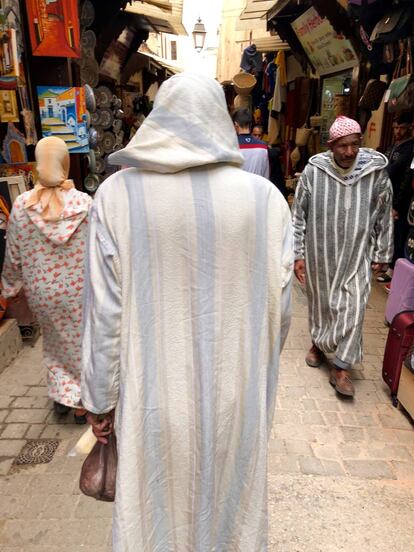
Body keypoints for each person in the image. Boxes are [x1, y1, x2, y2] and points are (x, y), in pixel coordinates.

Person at [81, 72, 293, 551]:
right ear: (219, 119)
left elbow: (105, 315)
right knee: (230, 513)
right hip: (234, 399)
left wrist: (99, 398)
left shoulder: (117, 196)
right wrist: (253, 378)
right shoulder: (266, 202)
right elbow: (279, 315)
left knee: (155, 519)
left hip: (151, 402)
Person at [292, 116, 393, 398]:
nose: (349, 152)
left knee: (354, 307)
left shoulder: (375, 172)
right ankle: (318, 344)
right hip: (320, 254)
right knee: (322, 304)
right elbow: (299, 214)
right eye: (343, 146)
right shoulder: (314, 171)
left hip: (356, 253)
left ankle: (341, 367)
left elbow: (384, 213)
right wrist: (298, 254)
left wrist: (383, 252)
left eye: (354, 145)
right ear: (331, 146)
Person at [1, 136, 92, 422]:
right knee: (81, 342)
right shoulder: (85, 203)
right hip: (80, 290)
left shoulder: (22, 205)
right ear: (64, 162)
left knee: (53, 341)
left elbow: (13, 253)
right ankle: (81, 401)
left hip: (42, 292)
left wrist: (10, 288)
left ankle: (61, 395)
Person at [377, 112, 414, 283]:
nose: (398, 131)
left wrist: (397, 205)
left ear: (409, 128)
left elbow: (405, 177)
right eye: (396, 127)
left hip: (401, 200)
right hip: (388, 197)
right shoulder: (394, 147)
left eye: (402, 128)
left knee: (399, 236)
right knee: (388, 232)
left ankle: (393, 270)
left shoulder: (410, 148)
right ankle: (385, 262)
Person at [232, 107, 270, 178]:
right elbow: (266, 175)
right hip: (258, 187)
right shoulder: (263, 146)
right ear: (250, 124)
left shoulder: (232, 145)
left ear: (236, 124)